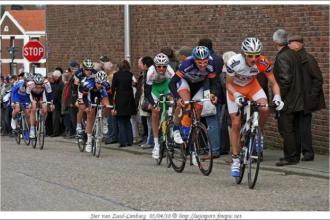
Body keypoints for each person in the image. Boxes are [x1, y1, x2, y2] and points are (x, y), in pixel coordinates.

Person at [226, 37, 284, 177]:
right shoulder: (234, 62)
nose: (253, 59)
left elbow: (274, 83)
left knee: (264, 108)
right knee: (236, 123)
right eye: (250, 55)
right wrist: (237, 95)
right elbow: (228, 84)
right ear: (243, 53)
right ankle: (235, 159)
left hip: (252, 87)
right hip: (235, 90)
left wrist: (277, 97)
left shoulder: (263, 62)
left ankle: (258, 134)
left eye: (256, 55)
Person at [168, 46, 218, 150]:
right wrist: (177, 98)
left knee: (199, 108)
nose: (203, 65)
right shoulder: (187, 63)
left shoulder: (211, 64)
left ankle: (193, 135)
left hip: (199, 85)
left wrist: (213, 94)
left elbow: (213, 83)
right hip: (185, 83)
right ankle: (176, 128)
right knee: (186, 105)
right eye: (199, 62)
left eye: (205, 62)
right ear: (194, 60)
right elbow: (172, 83)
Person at [287, 34, 326, 161]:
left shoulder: (308, 59)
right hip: (296, 100)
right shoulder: (294, 59)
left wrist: (311, 96)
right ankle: (297, 152)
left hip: (305, 100)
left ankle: (308, 153)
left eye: (291, 43)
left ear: (299, 44)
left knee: (304, 128)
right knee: (296, 127)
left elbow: (318, 79)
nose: (289, 45)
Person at [272, 29, 305, 166]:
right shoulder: (294, 54)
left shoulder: (282, 56)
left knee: (286, 129)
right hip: (298, 97)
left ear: (275, 42)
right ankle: (295, 155)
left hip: (288, 100)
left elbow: (285, 79)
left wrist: (278, 96)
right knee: (294, 129)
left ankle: (291, 157)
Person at [144, 53, 175, 159]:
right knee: (155, 112)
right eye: (159, 66)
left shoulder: (170, 71)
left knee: (172, 104)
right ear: (155, 66)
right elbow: (147, 92)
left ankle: (171, 125)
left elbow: (175, 87)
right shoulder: (150, 72)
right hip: (155, 89)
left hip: (167, 86)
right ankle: (156, 145)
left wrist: (172, 102)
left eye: (164, 66)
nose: (162, 69)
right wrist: (153, 104)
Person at [198, 38, 224, 158]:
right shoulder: (219, 58)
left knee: (211, 121)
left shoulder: (208, 59)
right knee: (217, 121)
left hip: (208, 91)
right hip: (218, 90)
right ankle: (218, 148)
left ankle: (214, 150)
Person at [79, 70, 110, 152]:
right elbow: (84, 97)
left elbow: (108, 96)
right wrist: (86, 107)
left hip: (101, 93)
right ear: (95, 80)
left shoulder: (106, 85)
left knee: (108, 106)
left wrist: (110, 107)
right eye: (98, 83)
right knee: (91, 113)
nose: (100, 85)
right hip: (90, 95)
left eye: (102, 84)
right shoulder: (88, 84)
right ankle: (89, 141)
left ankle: (104, 121)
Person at [111, 60, 136, 147]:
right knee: (127, 120)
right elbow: (135, 83)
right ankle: (130, 141)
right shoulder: (130, 75)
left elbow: (112, 89)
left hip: (120, 99)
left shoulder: (116, 75)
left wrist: (111, 102)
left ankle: (123, 141)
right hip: (129, 99)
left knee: (120, 121)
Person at [27, 73, 54, 138]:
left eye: (40, 85)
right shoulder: (30, 84)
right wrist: (29, 103)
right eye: (37, 85)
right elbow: (27, 95)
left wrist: (51, 104)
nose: (39, 86)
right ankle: (32, 129)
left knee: (45, 109)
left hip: (42, 95)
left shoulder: (46, 83)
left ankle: (42, 124)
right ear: (34, 82)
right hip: (32, 95)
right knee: (33, 107)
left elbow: (50, 94)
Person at [74, 58, 97, 136]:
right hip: (80, 91)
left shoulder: (95, 73)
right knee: (81, 107)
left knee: (91, 109)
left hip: (90, 91)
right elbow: (75, 88)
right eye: (87, 69)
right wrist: (76, 99)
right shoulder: (78, 74)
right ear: (83, 68)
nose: (89, 71)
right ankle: (78, 126)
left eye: (91, 69)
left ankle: (90, 125)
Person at [139, 56, 155, 149]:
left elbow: (147, 90)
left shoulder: (148, 73)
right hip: (153, 99)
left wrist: (149, 101)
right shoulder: (150, 72)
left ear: (145, 65)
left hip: (151, 99)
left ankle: (151, 141)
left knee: (151, 123)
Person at [51, 70, 64, 137]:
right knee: (55, 118)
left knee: (56, 118)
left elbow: (57, 94)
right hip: (57, 103)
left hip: (58, 103)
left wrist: (53, 101)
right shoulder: (57, 83)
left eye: (54, 77)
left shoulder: (61, 84)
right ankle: (56, 131)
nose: (53, 78)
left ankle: (56, 132)